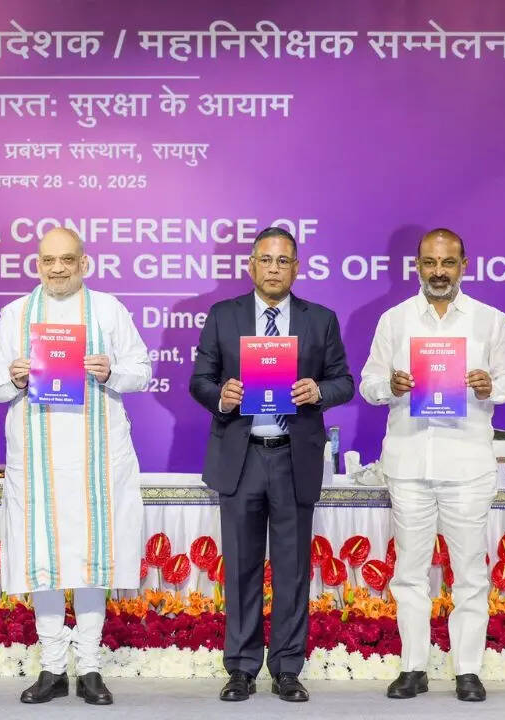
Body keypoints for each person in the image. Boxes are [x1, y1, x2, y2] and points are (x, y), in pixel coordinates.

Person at [0, 227, 150, 706]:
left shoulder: (109, 310)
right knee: (45, 562)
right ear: (38, 264)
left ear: (84, 263)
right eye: (49, 260)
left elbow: (142, 372)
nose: (57, 268)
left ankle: (90, 668)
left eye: (67, 260)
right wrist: (15, 376)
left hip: (98, 459)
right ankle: (53, 667)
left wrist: (110, 371)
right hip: (38, 462)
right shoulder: (16, 314)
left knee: (91, 560)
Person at [190, 227, 353, 703]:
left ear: (296, 268)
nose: (274, 268)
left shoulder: (320, 319)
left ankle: (287, 668)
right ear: (251, 265)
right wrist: (221, 396)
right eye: (266, 260)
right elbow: (199, 380)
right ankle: (241, 668)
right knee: (240, 567)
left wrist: (318, 391)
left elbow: (343, 381)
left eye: (283, 261)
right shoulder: (224, 316)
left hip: (292, 456)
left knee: (292, 570)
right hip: (240, 458)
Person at [360, 228, 505, 702]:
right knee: (409, 572)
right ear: (417, 266)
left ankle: (467, 670)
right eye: (430, 262)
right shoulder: (394, 320)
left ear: (463, 265)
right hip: (409, 463)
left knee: (469, 572)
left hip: (467, 465)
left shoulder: (490, 321)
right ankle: (413, 667)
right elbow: (369, 383)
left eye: (447, 263)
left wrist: (491, 386)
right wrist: (390, 385)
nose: (438, 272)